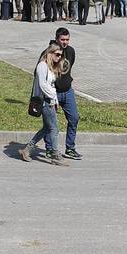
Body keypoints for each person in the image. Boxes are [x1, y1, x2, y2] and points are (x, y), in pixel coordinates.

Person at [22, 42, 66, 164]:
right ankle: (55, 155)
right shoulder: (42, 66)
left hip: (50, 100)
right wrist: (52, 98)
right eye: (57, 54)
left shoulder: (51, 67)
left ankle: (27, 149)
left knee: (47, 128)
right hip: (45, 101)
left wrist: (55, 100)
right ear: (50, 53)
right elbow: (43, 85)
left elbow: (52, 86)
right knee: (54, 128)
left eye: (60, 56)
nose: (59, 58)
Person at [52, 27, 82, 160]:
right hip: (54, 93)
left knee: (74, 118)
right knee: (51, 124)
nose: (65, 42)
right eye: (62, 39)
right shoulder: (50, 52)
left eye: (67, 39)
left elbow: (69, 69)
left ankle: (70, 148)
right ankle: (50, 149)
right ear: (57, 39)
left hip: (68, 91)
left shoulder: (70, 51)